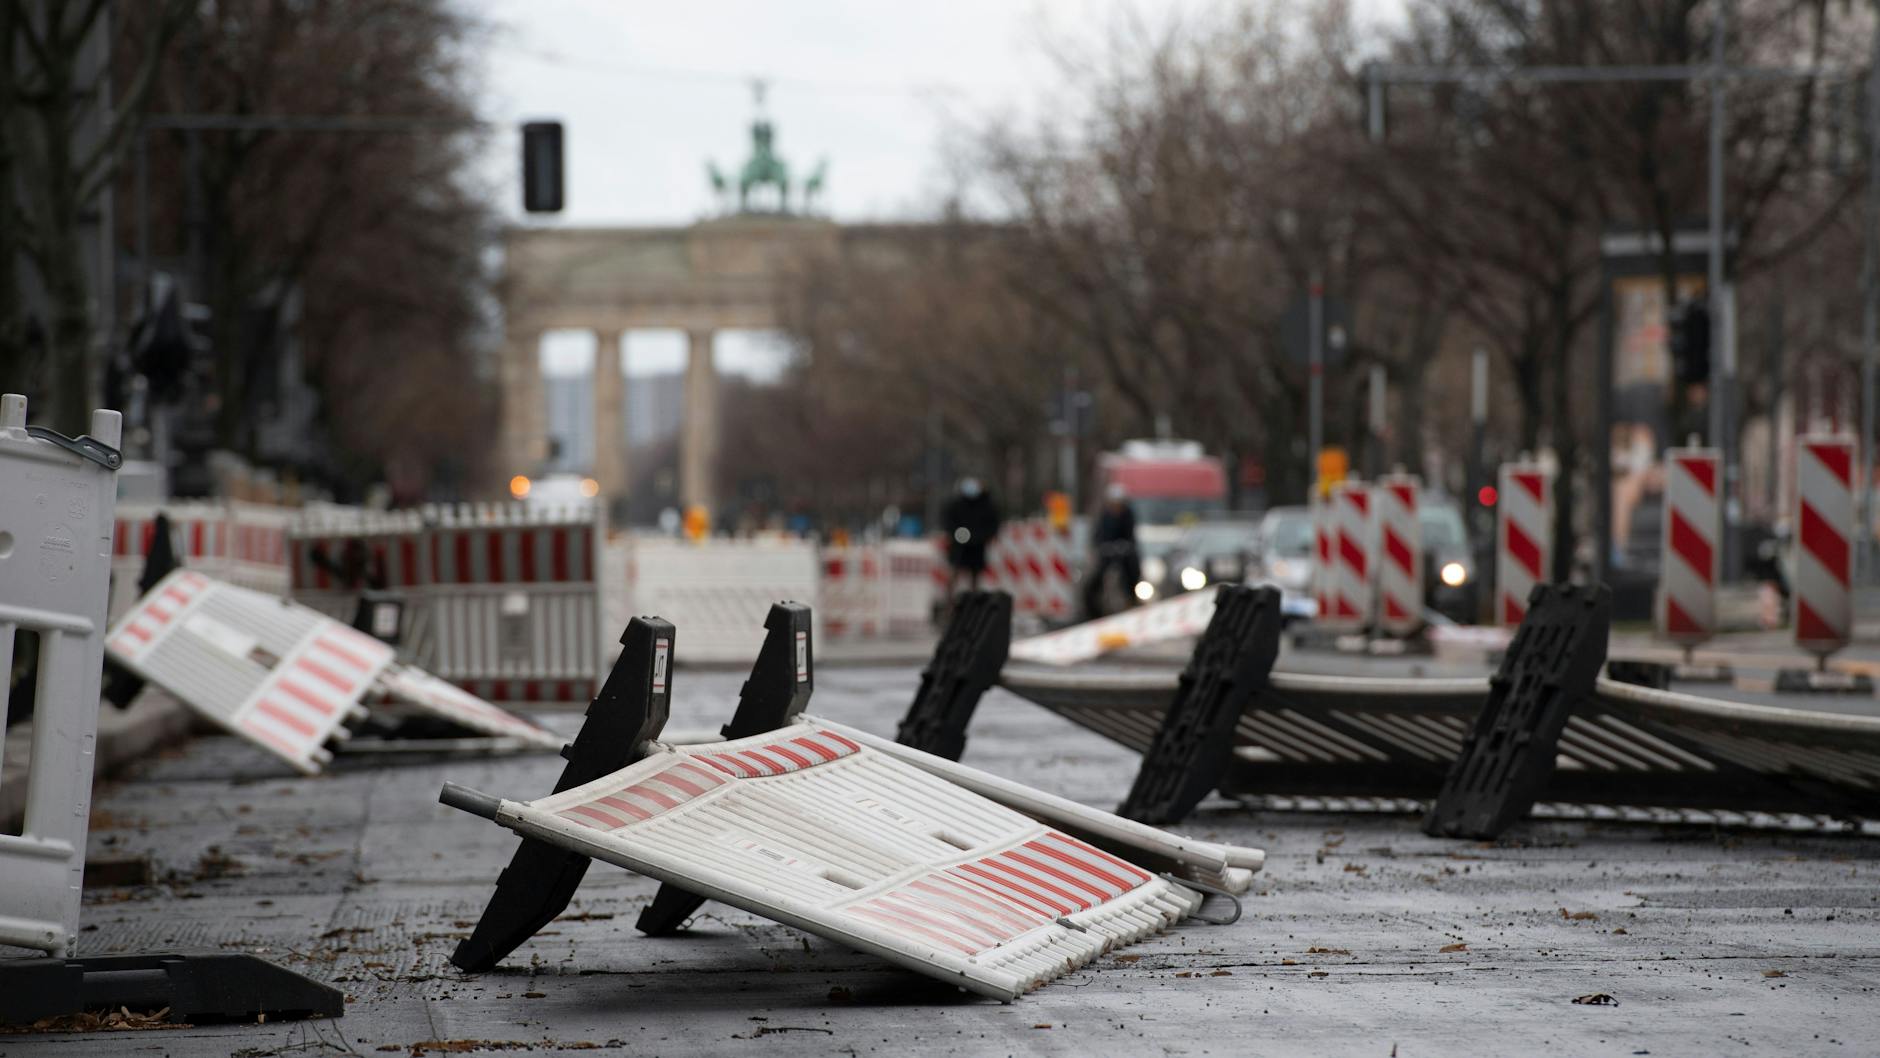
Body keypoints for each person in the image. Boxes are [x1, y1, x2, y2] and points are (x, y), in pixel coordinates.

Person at [1085, 483, 1140, 617]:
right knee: (1095, 581)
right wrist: (1101, 546)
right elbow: (1098, 535)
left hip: (1124, 556)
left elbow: (1131, 536)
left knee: (1132, 572)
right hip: (1107, 555)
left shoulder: (1128, 516)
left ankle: (1132, 599)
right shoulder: (1105, 516)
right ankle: (1093, 609)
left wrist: (1126, 546)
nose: (1116, 507)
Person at [943, 477, 1001, 594]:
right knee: (954, 573)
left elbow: (992, 525)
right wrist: (958, 535)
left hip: (977, 546)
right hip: (960, 545)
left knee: (975, 577)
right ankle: (950, 602)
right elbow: (949, 522)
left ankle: (973, 603)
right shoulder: (956, 505)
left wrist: (980, 536)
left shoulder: (987, 506)